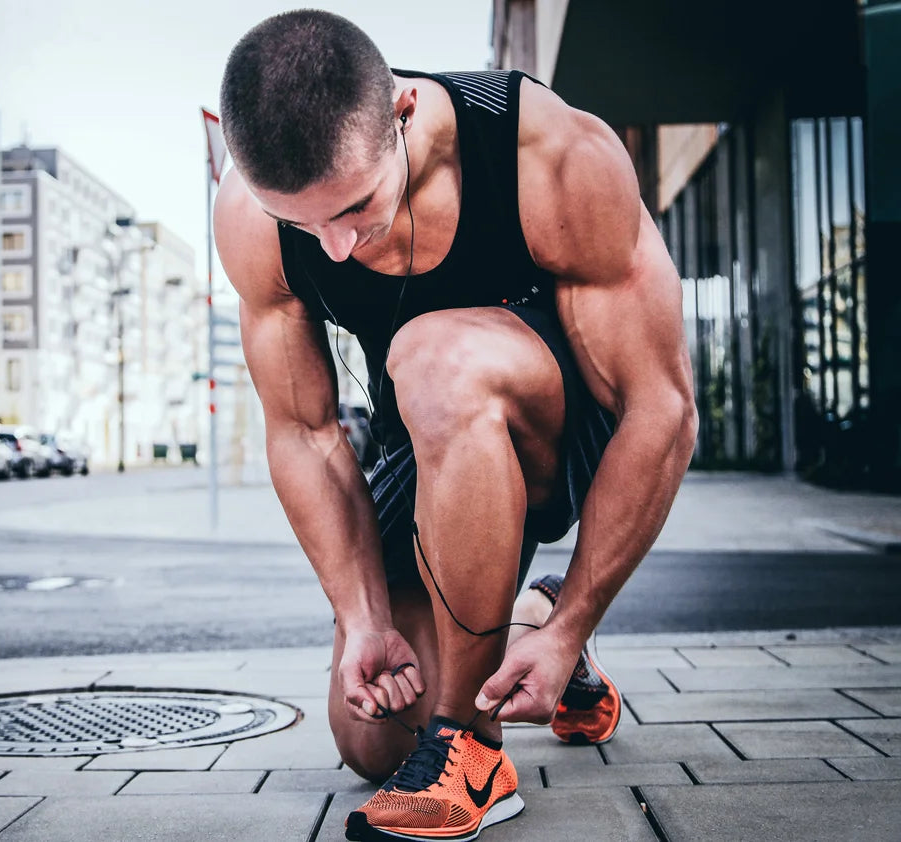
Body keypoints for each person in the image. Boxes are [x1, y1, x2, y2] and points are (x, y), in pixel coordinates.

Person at [214, 10, 697, 841]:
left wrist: (587, 609)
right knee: (371, 736)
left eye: (356, 207)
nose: (333, 248)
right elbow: (305, 432)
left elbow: (663, 408)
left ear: (403, 113)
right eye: (304, 224)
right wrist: (362, 617)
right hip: (427, 438)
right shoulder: (253, 214)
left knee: (432, 355)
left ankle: (471, 752)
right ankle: (528, 628)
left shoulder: (544, 151)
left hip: (560, 427)